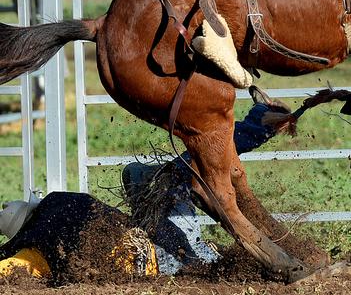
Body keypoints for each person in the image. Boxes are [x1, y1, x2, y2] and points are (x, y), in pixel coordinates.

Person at [0, 86, 298, 281]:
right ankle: (261, 123)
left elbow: (8, 270)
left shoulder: (34, 253)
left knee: (147, 174)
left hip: (159, 253)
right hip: (167, 251)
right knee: (170, 172)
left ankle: (260, 124)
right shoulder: (59, 203)